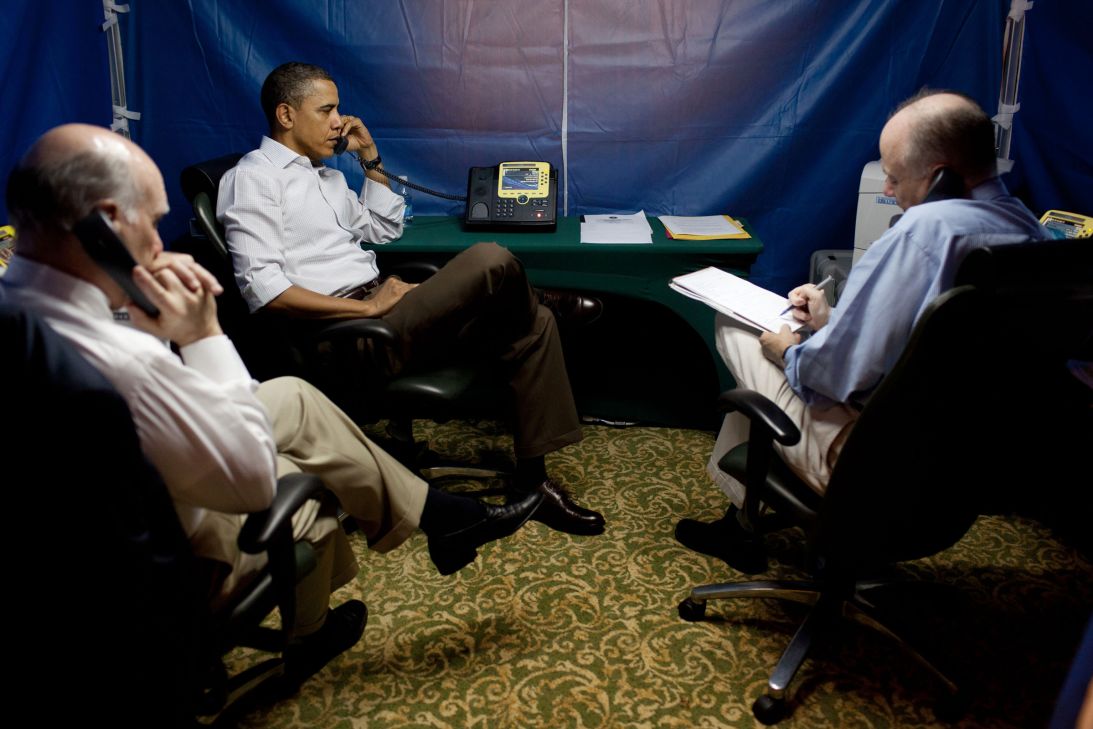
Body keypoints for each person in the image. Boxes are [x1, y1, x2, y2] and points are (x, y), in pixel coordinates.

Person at [0, 123, 546, 682]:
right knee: (302, 482)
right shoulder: (113, 357)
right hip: (149, 558)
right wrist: (202, 334)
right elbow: (253, 480)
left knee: (293, 400)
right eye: (154, 223)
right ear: (106, 224)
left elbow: (381, 228)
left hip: (114, 493)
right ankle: (311, 633)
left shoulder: (24, 304)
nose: (161, 245)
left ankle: (441, 515)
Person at [217, 62, 605, 537]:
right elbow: (265, 290)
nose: (340, 120)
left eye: (337, 109)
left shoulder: (327, 178)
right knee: (489, 257)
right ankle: (544, 295)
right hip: (349, 336)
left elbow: (382, 228)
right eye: (327, 110)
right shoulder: (253, 179)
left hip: (387, 308)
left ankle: (534, 483)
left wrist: (369, 159)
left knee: (536, 322)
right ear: (286, 114)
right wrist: (368, 308)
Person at [675, 90, 1050, 571]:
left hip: (869, 466)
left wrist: (790, 348)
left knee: (738, 326)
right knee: (782, 366)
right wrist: (832, 321)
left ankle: (742, 531)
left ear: (940, 177)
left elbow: (830, 378)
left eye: (893, 177)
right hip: (962, 472)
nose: (888, 191)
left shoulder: (921, 232)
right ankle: (738, 524)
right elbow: (934, 351)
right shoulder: (1028, 232)